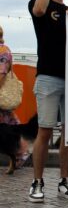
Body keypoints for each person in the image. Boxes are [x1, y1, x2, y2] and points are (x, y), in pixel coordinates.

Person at [27, 0, 68, 203]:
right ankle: (37, 182)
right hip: (48, 77)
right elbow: (39, 10)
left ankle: (65, 181)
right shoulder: (39, 3)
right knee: (45, 131)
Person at [0, 26, 30, 170]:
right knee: (11, 124)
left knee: (9, 126)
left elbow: (2, 73)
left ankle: (21, 154)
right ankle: (21, 154)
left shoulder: (3, 51)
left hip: (1, 92)